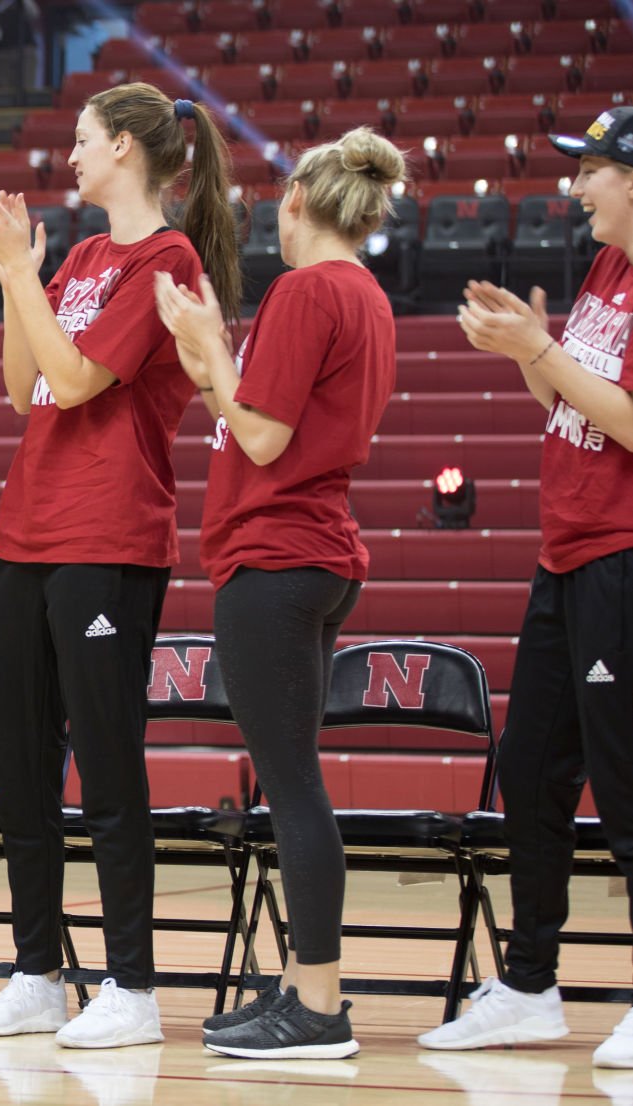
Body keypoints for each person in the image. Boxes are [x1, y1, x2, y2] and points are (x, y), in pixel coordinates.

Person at [0, 85, 239, 1048]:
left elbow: (76, 379)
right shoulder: (77, 257)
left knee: (107, 769)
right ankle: (36, 971)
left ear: (124, 146)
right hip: (25, 533)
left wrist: (16, 278)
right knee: (18, 769)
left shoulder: (168, 258)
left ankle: (131, 986)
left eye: (82, 141)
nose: (68, 156)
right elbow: (19, 384)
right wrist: (13, 279)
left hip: (108, 538)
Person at [155, 126, 408, 1060]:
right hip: (309, 549)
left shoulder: (308, 290)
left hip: (277, 553)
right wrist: (204, 347)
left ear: (296, 202)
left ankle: (320, 1007)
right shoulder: (361, 296)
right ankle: (302, 986)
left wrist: (211, 355)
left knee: (293, 787)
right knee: (291, 779)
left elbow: (257, 439)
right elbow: (247, 411)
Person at [418, 105, 633, 1067]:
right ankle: (530, 983)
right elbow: (573, 400)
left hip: (621, 556)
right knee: (531, 774)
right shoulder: (606, 271)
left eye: (591, 170)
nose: (574, 185)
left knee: (625, 785)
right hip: (567, 553)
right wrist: (526, 354)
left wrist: (540, 353)